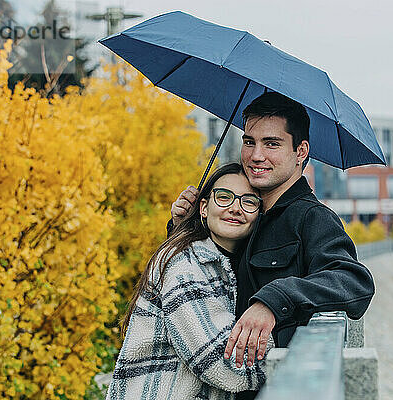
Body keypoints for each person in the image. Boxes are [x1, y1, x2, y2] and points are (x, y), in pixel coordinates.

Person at [170, 92, 375, 399]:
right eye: (249, 141)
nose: (255, 155)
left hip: (286, 388)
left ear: (301, 151)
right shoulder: (248, 212)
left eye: (272, 144)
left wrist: (273, 301)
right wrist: (183, 225)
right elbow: (209, 272)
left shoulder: (312, 218)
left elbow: (354, 282)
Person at [107, 163, 273, 400]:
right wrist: (288, 355)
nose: (236, 208)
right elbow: (218, 361)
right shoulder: (184, 265)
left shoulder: (227, 266)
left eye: (248, 201)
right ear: (203, 208)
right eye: (224, 197)